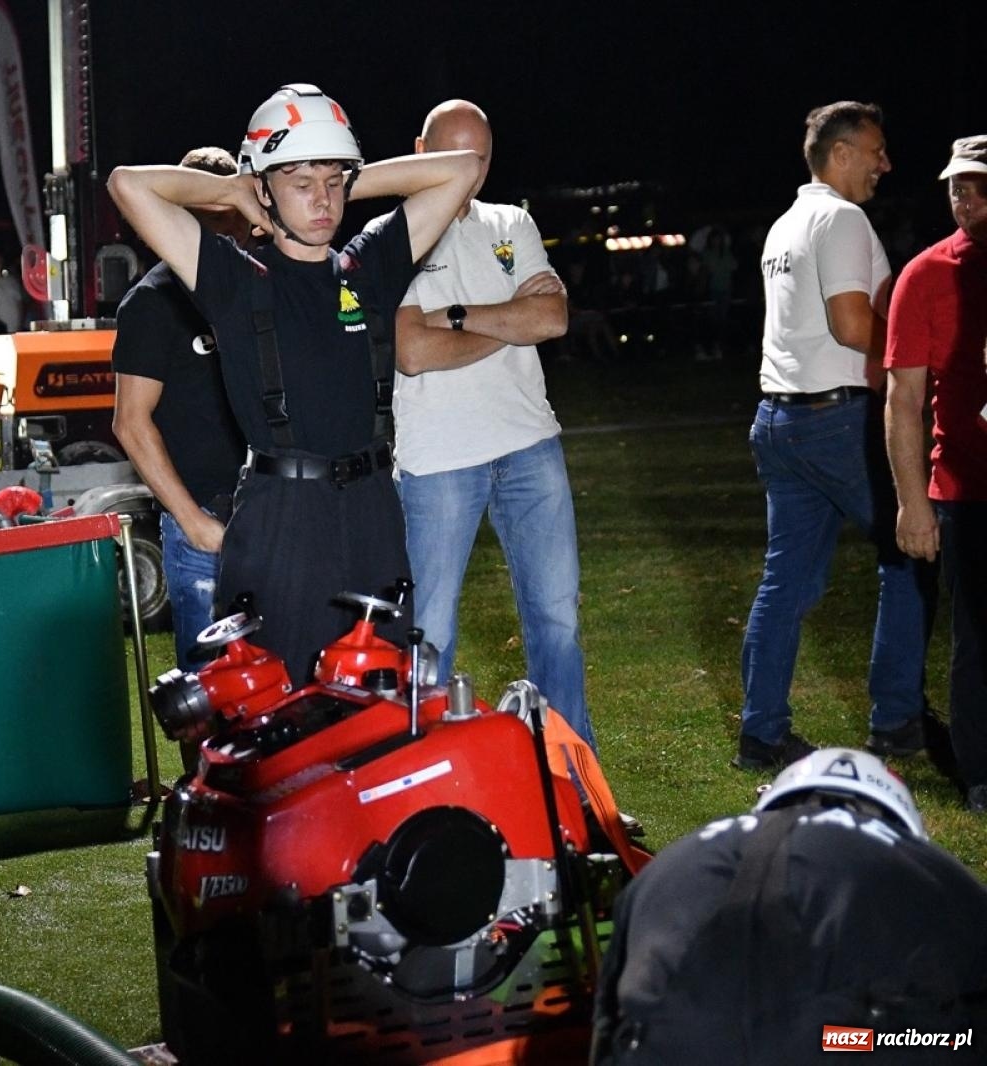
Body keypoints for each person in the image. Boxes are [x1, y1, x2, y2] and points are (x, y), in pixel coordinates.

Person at [109, 84, 478, 678]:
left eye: (334, 184)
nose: (323, 200)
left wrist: (336, 168)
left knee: (379, 697)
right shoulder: (234, 280)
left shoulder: (370, 266)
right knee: (279, 708)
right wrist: (236, 187)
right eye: (303, 185)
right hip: (282, 516)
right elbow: (128, 183)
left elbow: (463, 168)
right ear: (266, 191)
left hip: (373, 511)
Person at [391, 100, 593, 748]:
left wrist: (450, 314)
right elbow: (412, 353)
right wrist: (505, 321)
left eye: (480, 156)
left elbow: (553, 318)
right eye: (455, 154)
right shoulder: (395, 237)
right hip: (438, 461)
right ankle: (421, 788)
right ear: (422, 152)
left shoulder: (512, 222)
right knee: (431, 634)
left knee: (556, 622)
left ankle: (576, 788)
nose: (470, 170)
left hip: (531, 446)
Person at [737, 101, 931, 771]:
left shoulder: (786, 223)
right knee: (913, 553)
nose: (886, 163)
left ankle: (761, 735)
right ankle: (897, 719)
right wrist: (917, 364)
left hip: (780, 421)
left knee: (783, 584)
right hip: (837, 421)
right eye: (876, 150)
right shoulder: (843, 219)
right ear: (841, 154)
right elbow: (853, 324)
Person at [592, 748, 987, 1063]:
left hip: (672, 1036)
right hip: (839, 1041)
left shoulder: (673, 861)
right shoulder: (931, 870)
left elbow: (606, 1016)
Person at [113, 146, 251, 681]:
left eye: (231, 217)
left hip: (277, 511)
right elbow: (130, 422)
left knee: (284, 679)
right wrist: (194, 523)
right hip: (205, 524)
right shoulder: (154, 302)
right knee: (207, 687)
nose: (225, 232)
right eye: (210, 217)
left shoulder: (261, 286)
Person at [886, 135, 987, 812]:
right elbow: (903, 399)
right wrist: (912, 503)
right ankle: (980, 772)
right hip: (967, 488)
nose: (964, 196)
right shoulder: (925, 275)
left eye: (978, 184)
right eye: (957, 185)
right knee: (976, 638)